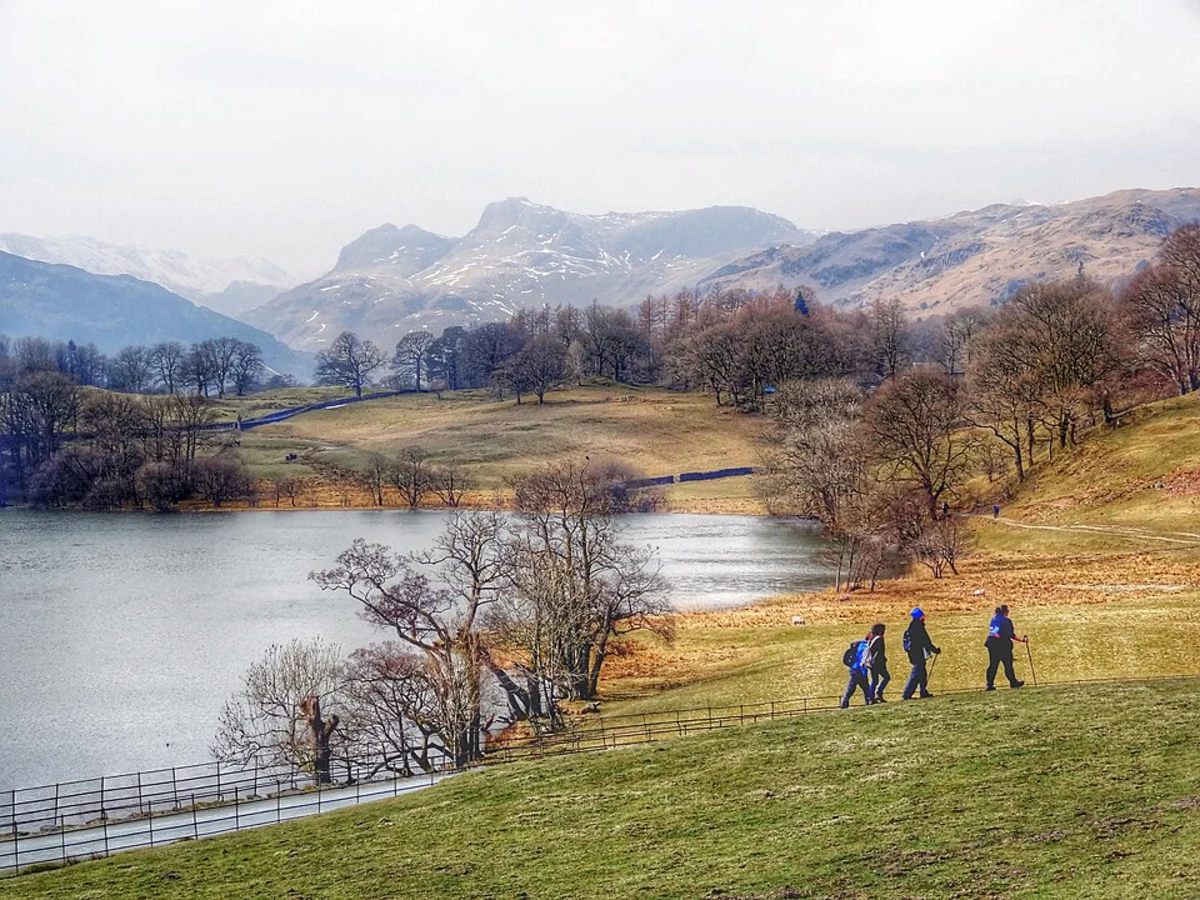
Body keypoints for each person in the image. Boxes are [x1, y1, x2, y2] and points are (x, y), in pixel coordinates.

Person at [901, 607, 941, 700]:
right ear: (920, 617)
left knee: (922, 673)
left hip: (913, 653)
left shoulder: (912, 627)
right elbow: (925, 641)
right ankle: (907, 694)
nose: (924, 617)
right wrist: (935, 650)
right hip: (917, 653)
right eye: (923, 615)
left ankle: (923, 691)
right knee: (916, 673)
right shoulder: (919, 628)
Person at [985, 604, 1026, 690]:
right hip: (1002, 645)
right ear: (1005, 612)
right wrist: (1022, 640)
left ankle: (989, 684)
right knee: (1008, 665)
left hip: (992, 644)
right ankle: (1013, 682)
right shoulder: (1006, 621)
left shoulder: (994, 619)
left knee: (993, 665)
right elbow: (1010, 635)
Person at [841, 633, 873, 708]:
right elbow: (862, 660)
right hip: (859, 670)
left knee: (852, 688)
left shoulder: (860, 645)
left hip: (854, 668)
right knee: (865, 688)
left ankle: (844, 703)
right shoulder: (865, 647)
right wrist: (863, 671)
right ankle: (868, 702)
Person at [867, 622, 890, 703]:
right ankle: (878, 693)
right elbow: (879, 652)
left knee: (874, 681)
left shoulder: (871, 639)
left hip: (871, 663)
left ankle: (870, 698)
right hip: (878, 663)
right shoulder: (879, 639)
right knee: (886, 677)